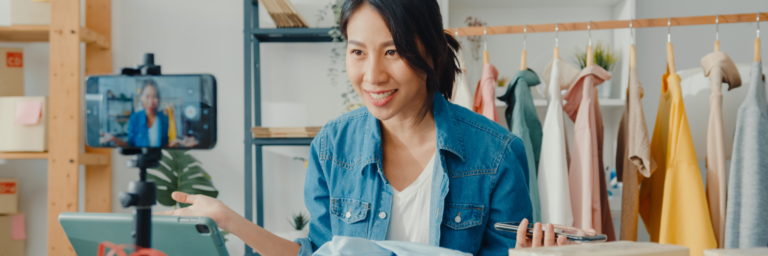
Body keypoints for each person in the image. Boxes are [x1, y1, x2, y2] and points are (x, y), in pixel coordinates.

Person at [158, 0, 571, 255]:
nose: (372, 75)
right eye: (358, 52)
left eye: (392, 51)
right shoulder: (331, 147)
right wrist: (227, 219)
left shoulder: (496, 153)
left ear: (427, 49)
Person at [101, 79, 198, 148]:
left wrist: (176, 142)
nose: (151, 101)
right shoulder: (135, 118)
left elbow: (164, 145)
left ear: (158, 99)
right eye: (147, 96)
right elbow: (131, 145)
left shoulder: (164, 118)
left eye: (154, 96)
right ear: (141, 98)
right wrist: (114, 139)